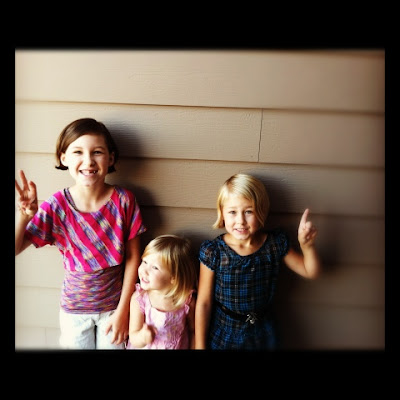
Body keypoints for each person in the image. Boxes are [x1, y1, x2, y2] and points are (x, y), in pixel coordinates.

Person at [15, 117, 147, 350]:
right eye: (78, 152)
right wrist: (25, 216)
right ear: (64, 158)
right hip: (74, 312)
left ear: (111, 158)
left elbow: (133, 257)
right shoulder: (57, 205)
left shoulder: (124, 201)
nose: (88, 161)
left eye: (97, 152)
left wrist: (124, 310)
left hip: (114, 309)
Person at [195, 173, 320, 350]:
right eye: (232, 212)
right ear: (222, 213)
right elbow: (204, 303)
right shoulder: (214, 252)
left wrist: (307, 246)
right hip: (225, 331)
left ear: (261, 211)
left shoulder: (274, 245)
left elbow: (310, 271)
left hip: (263, 332)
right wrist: (199, 345)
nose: (240, 221)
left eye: (249, 211)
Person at [126, 234, 198, 349]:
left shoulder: (186, 301)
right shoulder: (139, 299)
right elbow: (134, 337)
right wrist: (143, 337)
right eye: (144, 262)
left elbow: (193, 331)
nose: (144, 270)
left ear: (174, 278)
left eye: (155, 267)